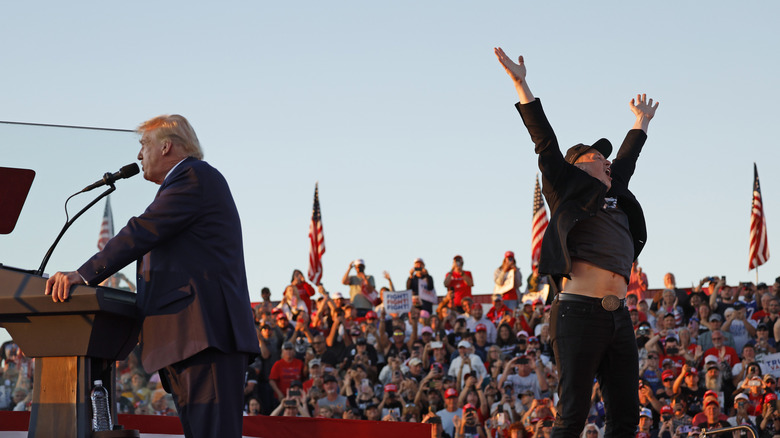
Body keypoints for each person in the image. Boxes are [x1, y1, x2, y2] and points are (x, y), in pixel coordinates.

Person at [44, 114, 260, 438]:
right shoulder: (184, 183)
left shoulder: (193, 176)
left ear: (166, 146)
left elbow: (142, 230)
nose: (139, 155)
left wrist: (85, 274)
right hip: (191, 339)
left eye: (144, 145)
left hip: (206, 337)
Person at [495, 47, 659, 438]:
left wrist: (641, 121)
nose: (606, 160)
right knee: (572, 414)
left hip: (618, 315)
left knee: (625, 416)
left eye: (607, 158)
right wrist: (521, 83)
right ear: (576, 165)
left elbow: (627, 159)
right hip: (578, 312)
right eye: (596, 156)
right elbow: (544, 141)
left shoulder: (614, 190)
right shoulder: (565, 188)